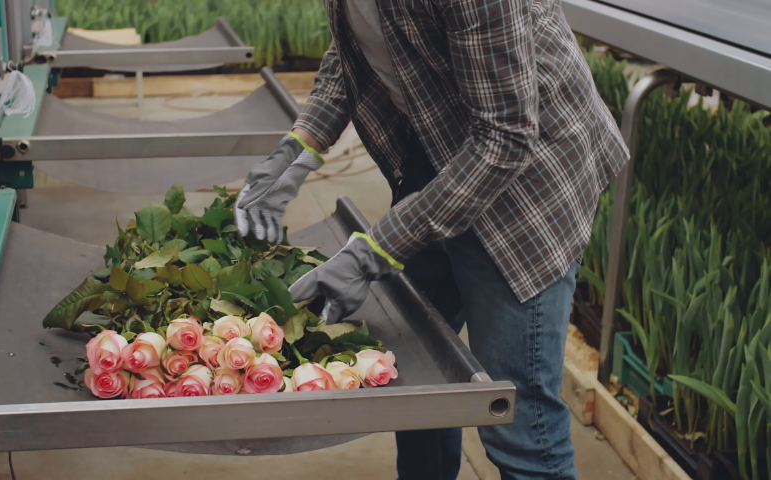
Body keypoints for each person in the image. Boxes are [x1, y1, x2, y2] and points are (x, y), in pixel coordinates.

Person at [234, 0, 628, 478]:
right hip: (437, 154)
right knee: (419, 377)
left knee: (519, 424)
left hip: (525, 188)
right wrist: (301, 147)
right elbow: (355, 49)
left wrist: (373, 251)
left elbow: (505, 137)